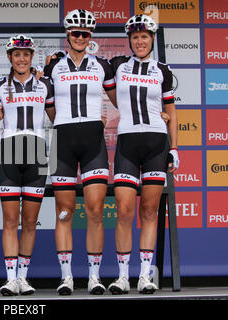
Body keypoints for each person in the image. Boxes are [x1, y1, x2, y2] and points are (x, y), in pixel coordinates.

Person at [43, 9, 117, 295]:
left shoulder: (103, 66)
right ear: (67, 35)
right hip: (60, 140)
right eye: (76, 33)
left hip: (93, 142)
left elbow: (121, 98)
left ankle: (94, 277)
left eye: (85, 33)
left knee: (95, 211)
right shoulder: (52, 67)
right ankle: (67, 277)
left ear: (91, 37)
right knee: (63, 212)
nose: (80, 37)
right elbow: (47, 105)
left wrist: (158, 112)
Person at [107, 14, 178, 295]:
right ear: (130, 40)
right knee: (124, 211)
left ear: (151, 39)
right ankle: (122, 276)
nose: (139, 41)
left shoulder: (163, 70)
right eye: (135, 37)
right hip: (127, 143)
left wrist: (174, 148)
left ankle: (145, 276)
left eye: (144, 36)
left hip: (156, 144)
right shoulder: (117, 65)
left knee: (149, 211)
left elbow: (171, 113)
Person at [0, 35, 55, 296]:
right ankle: (10, 279)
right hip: (8, 153)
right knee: (9, 220)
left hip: (38, 152)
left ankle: (23, 278)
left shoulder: (44, 84)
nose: (22, 58)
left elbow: (56, 117)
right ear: (9, 58)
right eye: (17, 54)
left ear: (32, 57)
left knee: (29, 221)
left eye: (26, 54)